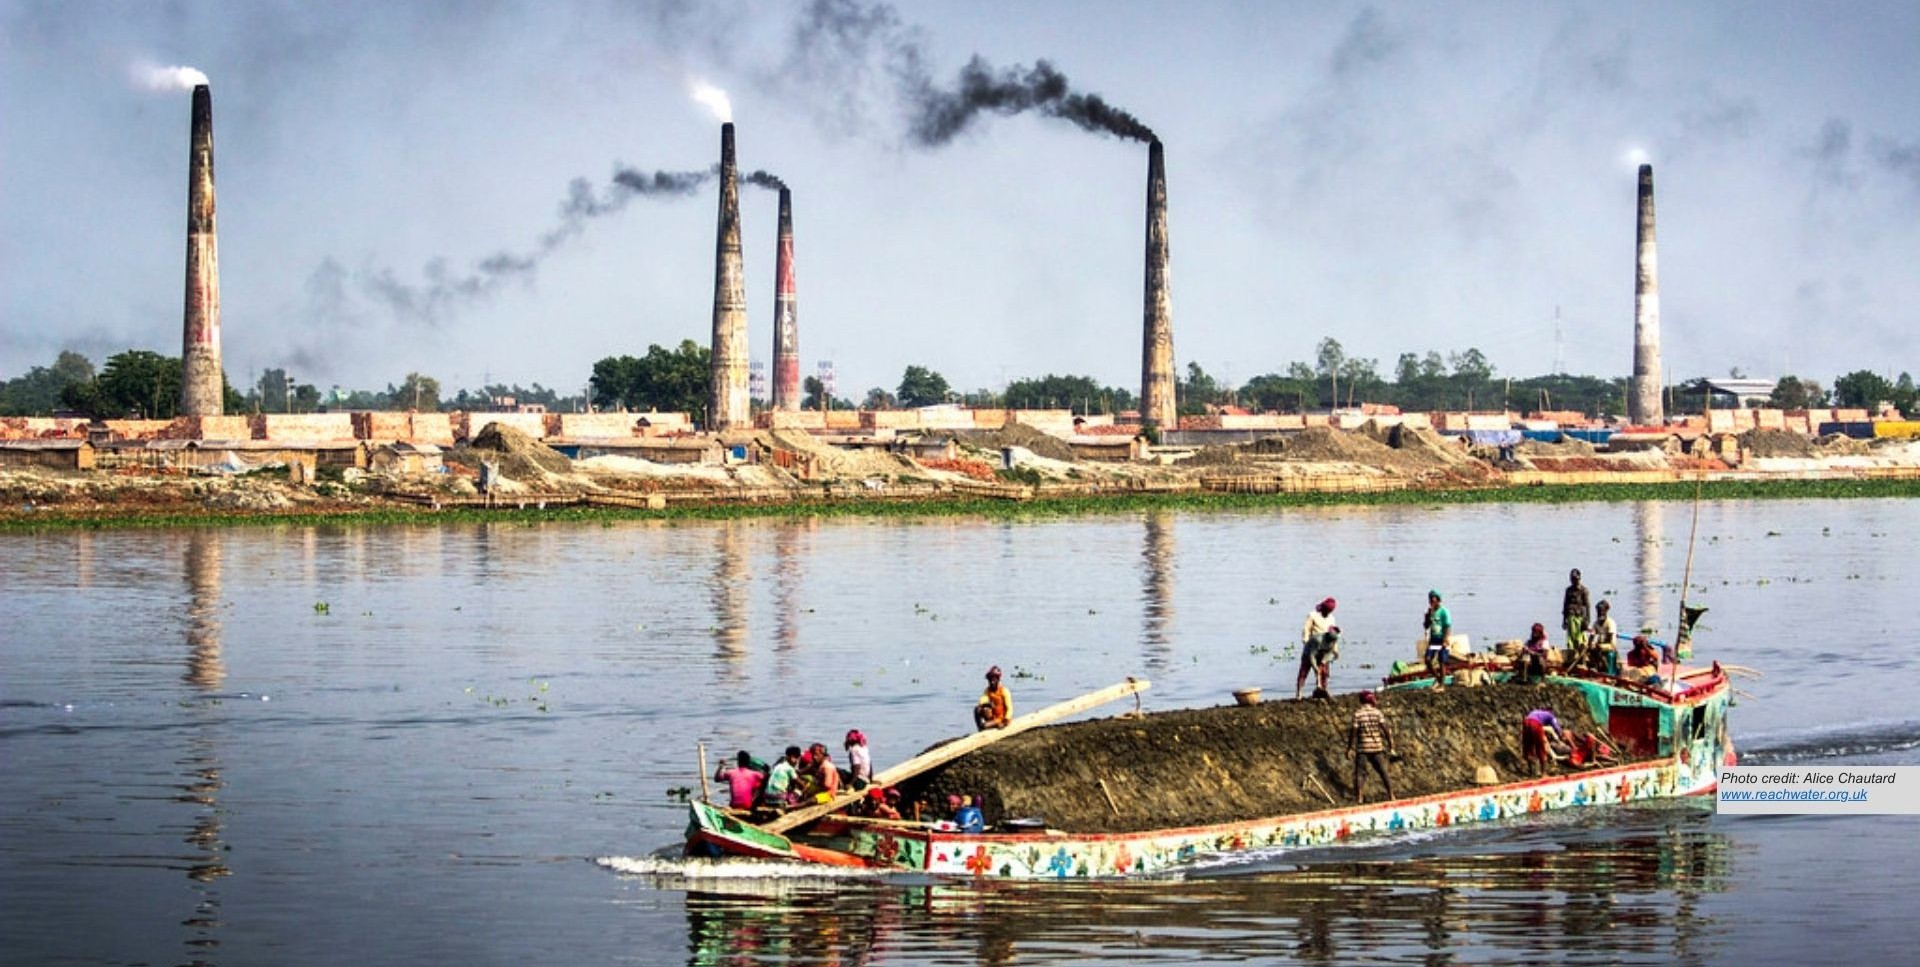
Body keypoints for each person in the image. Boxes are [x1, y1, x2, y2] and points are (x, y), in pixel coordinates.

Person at [1348, 690, 1395, 802]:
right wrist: (1391, 745)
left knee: (1360, 772)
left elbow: (1353, 732)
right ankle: (1391, 794)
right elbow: (1386, 730)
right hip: (1377, 747)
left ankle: (1359, 796)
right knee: (1383, 771)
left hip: (1363, 748)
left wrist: (1350, 748)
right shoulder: (1377, 713)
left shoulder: (1358, 714)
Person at [1296, 597, 1339, 700]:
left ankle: (1323, 689)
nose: (1327, 613)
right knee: (1304, 670)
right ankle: (1299, 693)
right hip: (1313, 645)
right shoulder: (1313, 615)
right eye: (1326, 611)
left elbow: (1333, 636)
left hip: (1325, 646)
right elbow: (1306, 629)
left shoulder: (1331, 619)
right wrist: (1306, 641)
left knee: (1324, 672)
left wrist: (1334, 650)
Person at [1423, 590, 1453, 689]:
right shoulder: (1430, 612)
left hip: (1442, 639)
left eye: (1433, 600)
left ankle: (1442, 685)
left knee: (1442, 661)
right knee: (1427, 660)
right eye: (1430, 600)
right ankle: (1438, 679)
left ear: (1438, 600)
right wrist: (1427, 617)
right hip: (1433, 640)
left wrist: (1445, 639)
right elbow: (1426, 626)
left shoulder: (1444, 612)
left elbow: (1448, 627)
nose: (1431, 602)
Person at [1522, 708, 1562, 777]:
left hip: (1526, 722)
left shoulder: (1537, 712)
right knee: (1541, 748)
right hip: (1535, 724)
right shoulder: (1550, 715)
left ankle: (1531, 772)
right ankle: (1543, 773)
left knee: (1528, 747)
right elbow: (1556, 726)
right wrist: (1560, 734)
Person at [974, 666, 1012, 730]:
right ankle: (980, 729)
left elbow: (1009, 709)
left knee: (985, 725)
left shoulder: (1004, 691)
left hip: (1001, 718)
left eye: (994, 680)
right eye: (990, 680)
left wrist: (1005, 721)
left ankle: (989, 726)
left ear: (998, 680)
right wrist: (986, 704)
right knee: (977, 709)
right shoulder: (988, 690)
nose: (992, 682)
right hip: (993, 716)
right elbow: (982, 700)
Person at [1588, 600, 1620, 675]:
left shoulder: (1610, 623)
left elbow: (1611, 640)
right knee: (1588, 648)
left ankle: (1607, 670)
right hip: (1600, 644)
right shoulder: (1596, 623)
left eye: (1602, 611)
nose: (1600, 613)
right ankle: (1594, 667)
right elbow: (1592, 636)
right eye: (1598, 612)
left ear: (1606, 611)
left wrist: (1599, 645)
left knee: (1598, 648)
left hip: (1610, 645)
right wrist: (1589, 644)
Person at [1562, 569, 1591, 651]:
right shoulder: (1568, 590)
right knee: (1570, 640)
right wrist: (1564, 620)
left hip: (1580, 618)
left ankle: (1580, 654)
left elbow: (1587, 606)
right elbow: (1565, 604)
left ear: (1579, 578)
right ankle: (1571, 653)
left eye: (1575, 578)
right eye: (1572, 579)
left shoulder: (1584, 590)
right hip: (1570, 617)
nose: (1573, 581)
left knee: (1580, 639)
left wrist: (1587, 621)